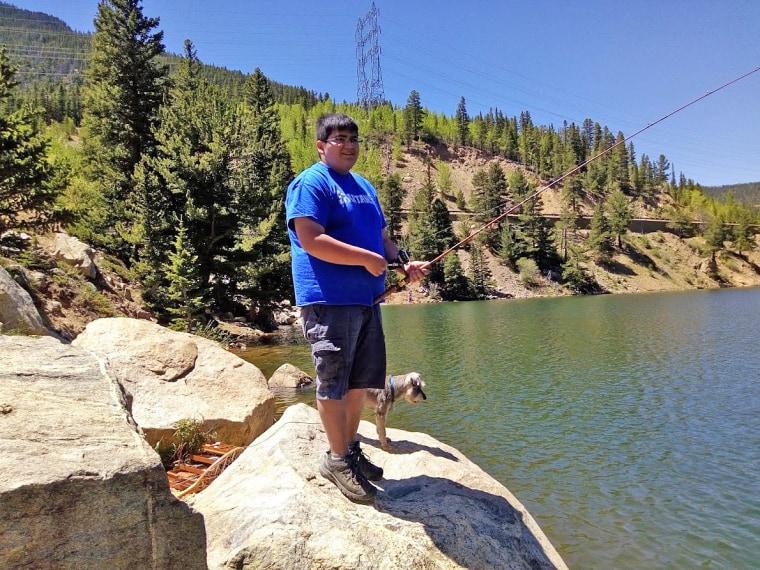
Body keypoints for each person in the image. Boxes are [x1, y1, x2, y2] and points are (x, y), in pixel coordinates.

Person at [285, 113, 427, 503]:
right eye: (338, 139)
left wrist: (402, 262)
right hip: (329, 300)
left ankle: (348, 450)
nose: (348, 145)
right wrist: (366, 259)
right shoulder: (310, 183)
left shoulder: (364, 186)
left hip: (368, 301)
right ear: (321, 145)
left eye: (353, 139)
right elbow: (311, 239)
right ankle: (335, 459)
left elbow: (382, 239)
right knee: (333, 381)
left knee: (359, 382)